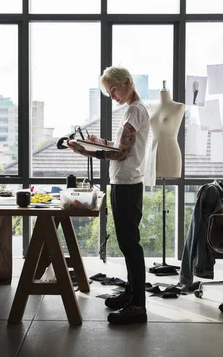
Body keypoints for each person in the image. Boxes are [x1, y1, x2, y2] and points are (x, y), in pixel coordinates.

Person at [68, 66, 150, 325]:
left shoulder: (135, 110)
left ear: (126, 82)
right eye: (108, 92)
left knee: (130, 245)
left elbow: (123, 153)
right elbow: (121, 146)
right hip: (125, 182)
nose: (112, 95)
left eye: (113, 89)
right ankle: (130, 293)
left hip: (126, 183)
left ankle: (138, 305)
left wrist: (87, 151)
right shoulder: (133, 110)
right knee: (128, 243)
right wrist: (99, 143)